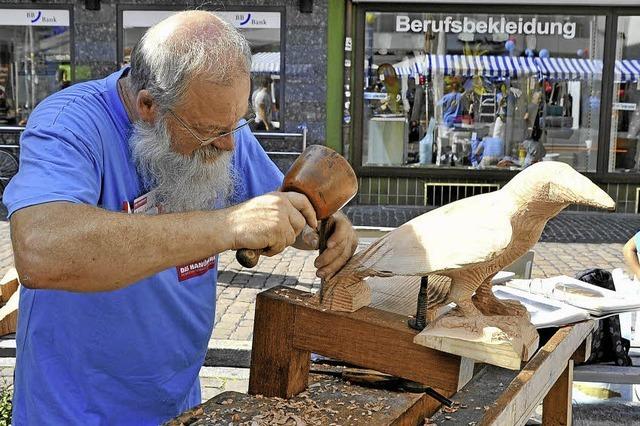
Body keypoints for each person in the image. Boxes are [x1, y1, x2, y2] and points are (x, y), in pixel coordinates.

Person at [4, 11, 358, 425]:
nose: (230, 144)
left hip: (179, 405)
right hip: (73, 413)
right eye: (211, 132)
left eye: (237, 122)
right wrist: (226, 226)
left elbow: (279, 211)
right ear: (149, 106)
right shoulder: (70, 125)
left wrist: (323, 228)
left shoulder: (222, 130)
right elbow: (42, 250)